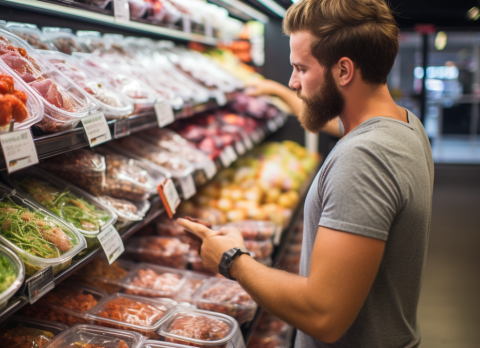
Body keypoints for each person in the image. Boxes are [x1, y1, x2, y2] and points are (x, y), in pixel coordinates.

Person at [177, 0, 434, 347]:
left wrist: (232, 260)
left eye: (300, 68)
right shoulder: (402, 125)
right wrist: (279, 94)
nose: (293, 81)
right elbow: (328, 118)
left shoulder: (365, 157)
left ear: (344, 71)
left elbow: (322, 315)